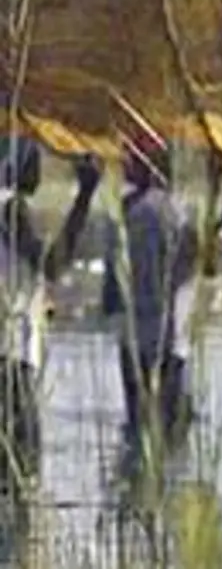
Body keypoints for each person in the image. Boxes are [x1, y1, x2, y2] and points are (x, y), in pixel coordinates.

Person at [0, 137, 100, 493]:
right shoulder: (9, 206)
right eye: (32, 158)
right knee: (21, 475)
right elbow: (53, 265)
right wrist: (85, 196)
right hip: (10, 361)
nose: (38, 168)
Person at [100, 140, 202, 458]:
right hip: (171, 342)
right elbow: (195, 267)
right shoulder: (180, 213)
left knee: (136, 429)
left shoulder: (124, 212)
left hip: (133, 341)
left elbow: (111, 295)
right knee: (171, 438)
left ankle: (135, 501)